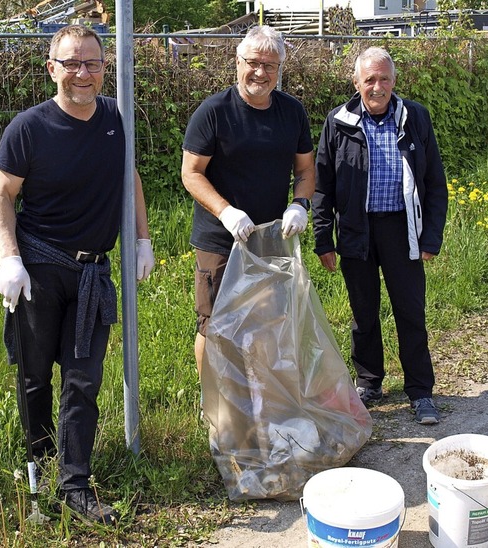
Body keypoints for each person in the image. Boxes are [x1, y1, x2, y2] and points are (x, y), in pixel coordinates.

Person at [0, 24, 154, 523]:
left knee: (83, 380)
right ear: (52, 69)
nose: (83, 73)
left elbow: (131, 176)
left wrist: (143, 239)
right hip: (39, 268)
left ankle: (74, 485)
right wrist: (9, 258)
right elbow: (1, 194)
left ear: (105, 67)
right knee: (36, 376)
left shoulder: (113, 118)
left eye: (94, 63)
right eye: (72, 63)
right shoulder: (29, 128)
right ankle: (37, 467)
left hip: (92, 277)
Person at [312, 47, 447, 424]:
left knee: (410, 311)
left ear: (394, 81)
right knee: (363, 313)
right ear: (356, 83)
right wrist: (323, 239)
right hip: (356, 229)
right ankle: (369, 382)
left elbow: (435, 183)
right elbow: (323, 185)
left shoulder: (414, 117)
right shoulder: (338, 122)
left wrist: (430, 238)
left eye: (384, 78)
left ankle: (420, 391)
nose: (377, 86)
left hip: (402, 229)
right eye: (369, 79)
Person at [181, 25, 315, 377]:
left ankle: (259, 401)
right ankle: (214, 408)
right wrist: (226, 212)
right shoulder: (213, 112)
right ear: (237, 62)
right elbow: (191, 173)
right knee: (214, 324)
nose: (260, 72)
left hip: (271, 238)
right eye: (253, 62)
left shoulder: (292, 112)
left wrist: (300, 204)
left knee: (268, 321)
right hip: (221, 241)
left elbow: (305, 170)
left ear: (280, 68)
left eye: (270, 65)